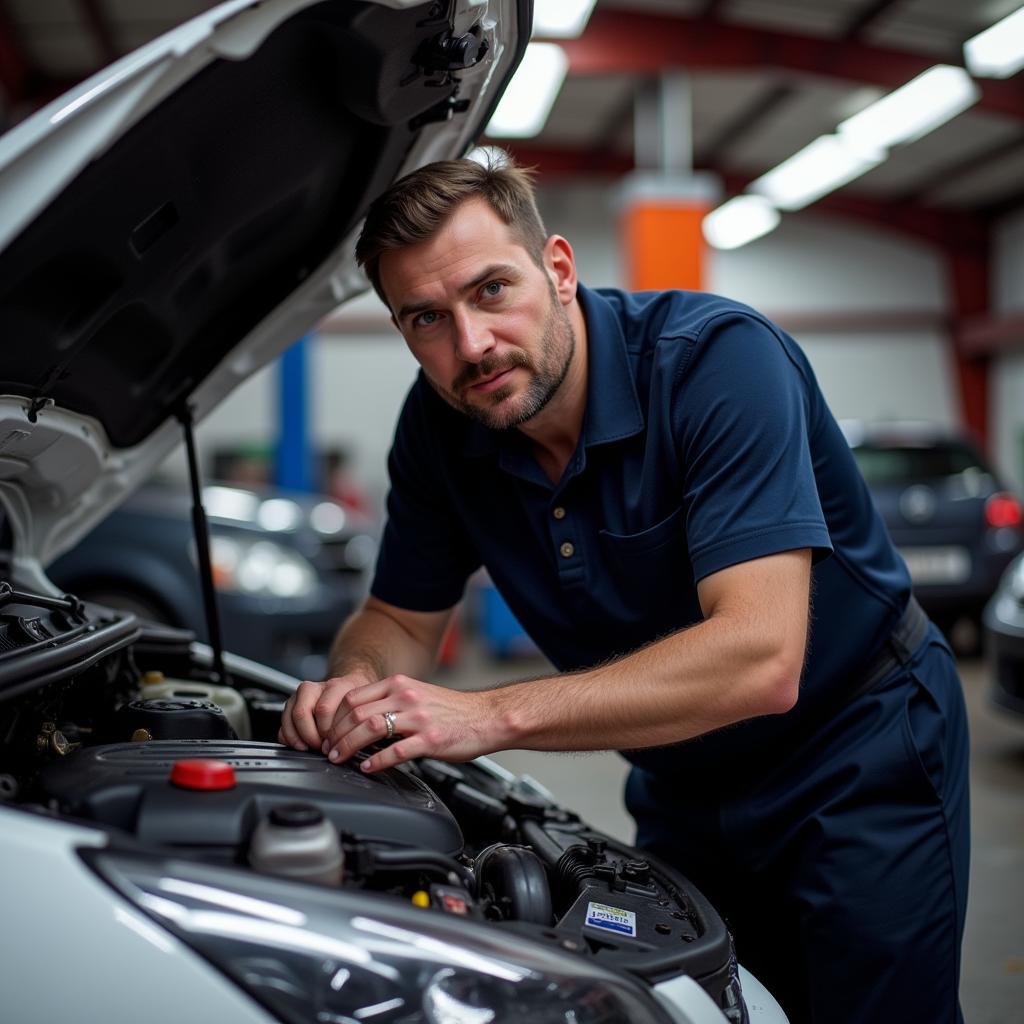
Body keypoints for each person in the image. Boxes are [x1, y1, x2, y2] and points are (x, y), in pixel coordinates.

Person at [278, 156, 969, 1023]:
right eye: (427, 319)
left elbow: (761, 657)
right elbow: (394, 617)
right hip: (681, 770)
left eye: (492, 290)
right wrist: (358, 685)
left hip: (855, 748)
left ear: (559, 269)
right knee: (705, 1001)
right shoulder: (439, 427)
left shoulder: (715, 363)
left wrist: (485, 716)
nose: (472, 344)